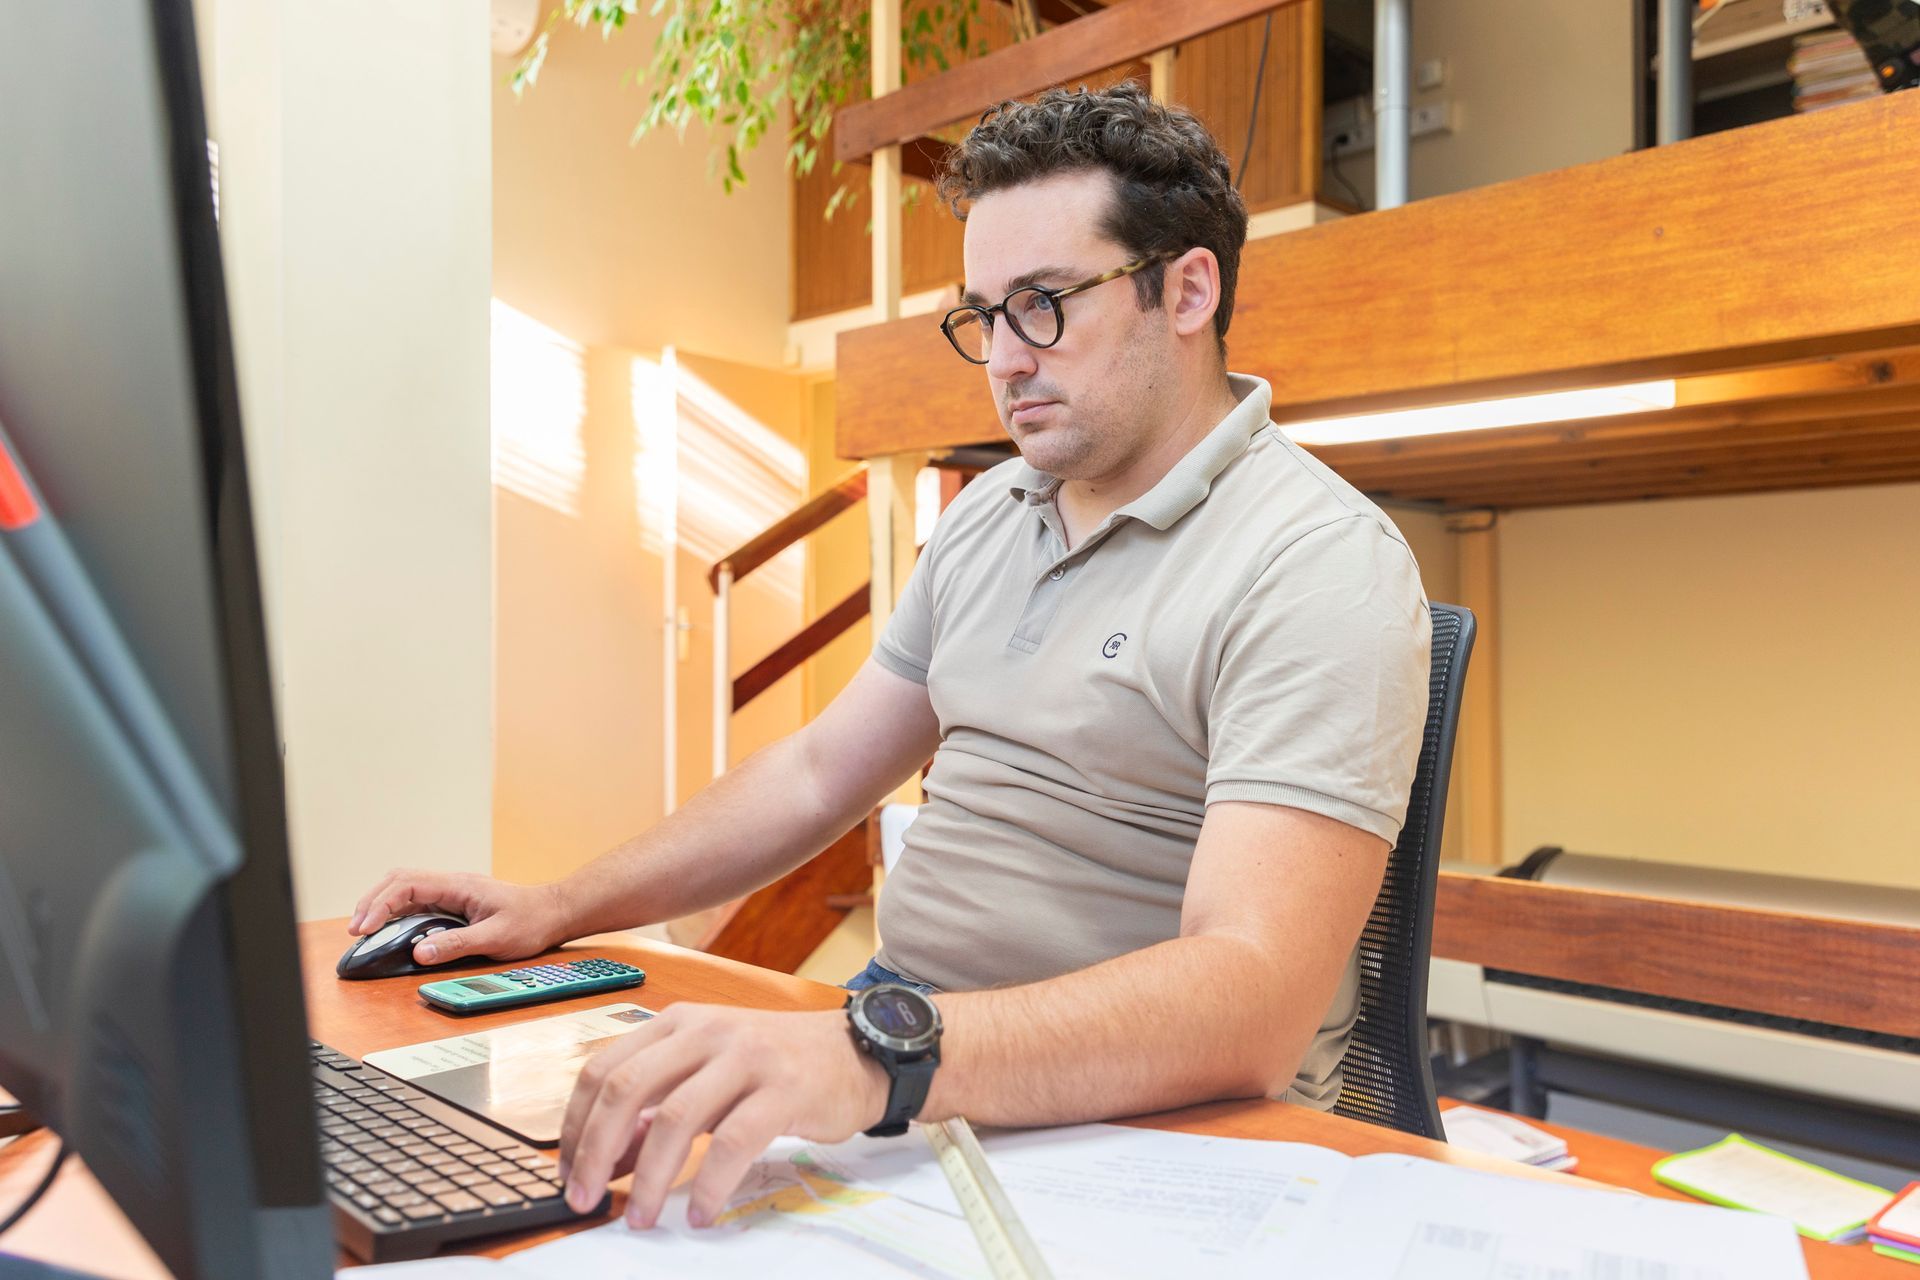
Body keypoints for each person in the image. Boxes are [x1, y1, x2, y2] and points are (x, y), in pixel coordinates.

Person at [347, 82, 1431, 1232]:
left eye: (1043, 305)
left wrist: (874, 1054)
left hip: (1149, 1127)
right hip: (912, 1053)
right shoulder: (991, 513)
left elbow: (1252, 998)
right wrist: (556, 904)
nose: (1003, 358)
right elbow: (818, 771)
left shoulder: (1316, 560)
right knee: (502, 1187)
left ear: (1189, 290)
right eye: (983, 317)